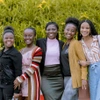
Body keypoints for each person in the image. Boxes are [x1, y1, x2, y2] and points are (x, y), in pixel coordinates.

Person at [61, 17, 88, 100]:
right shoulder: (64, 44)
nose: (69, 32)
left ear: (75, 33)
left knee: (66, 97)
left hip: (74, 76)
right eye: (67, 29)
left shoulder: (76, 43)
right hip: (66, 77)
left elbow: (83, 61)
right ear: (64, 30)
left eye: (72, 31)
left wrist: (84, 78)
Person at [36, 22, 64, 100]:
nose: (51, 31)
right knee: (49, 97)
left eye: (53, 29)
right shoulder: (40, 42)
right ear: (45, 31)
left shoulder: (61, 43)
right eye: (48, 29)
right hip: (46, 75)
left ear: (57, 30)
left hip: (58, 76)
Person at [14, 27, 43, 100]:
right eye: (25, 35)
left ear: (34, 36)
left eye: (30, 35)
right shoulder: (20, 51)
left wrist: (20, 79)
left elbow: (33, 67)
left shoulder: (37, 50)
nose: (27, 38)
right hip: (21, 83)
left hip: (32, 81)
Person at [78, 19, 100, 100]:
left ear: (91, 29)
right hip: (91, 71)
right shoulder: (79, 43)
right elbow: (75, 59)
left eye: (87, 28)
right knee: (94, 96)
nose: (84, 30)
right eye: (82, 28)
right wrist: (80, 62)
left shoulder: (98, 39)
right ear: (79, 29)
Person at [0, 26, 22, 100]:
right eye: (6, 38)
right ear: (3, 39)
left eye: (11, 38)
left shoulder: (16, 54)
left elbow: (18, 73)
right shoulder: (2, 52)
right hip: (1, 85)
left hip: (9, 87)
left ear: (14, 39)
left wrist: (17, 91)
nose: (9, 40)